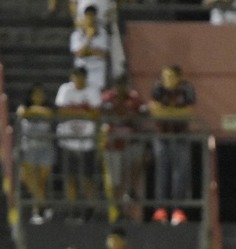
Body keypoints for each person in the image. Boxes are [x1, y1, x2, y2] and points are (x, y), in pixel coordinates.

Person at [148, 64, 196, 226]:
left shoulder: (187, 89)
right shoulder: (158, 88)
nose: (166, 80)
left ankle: (178, 210)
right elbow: (155, 111)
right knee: (162, 172)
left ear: (178, 77)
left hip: (180, 136)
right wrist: (175, 113)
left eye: (170, 76)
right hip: (162, 136)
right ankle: (161, 210)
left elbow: (188, 112)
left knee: (180, 173)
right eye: (164, 76)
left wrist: (167, 112)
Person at [55, 66, 102, 222]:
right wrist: (84, 112)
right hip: (68, 140)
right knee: (70, 177)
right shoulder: (65, 90)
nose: (78, 81)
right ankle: (72, 209)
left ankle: (90, 208)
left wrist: (74, 112)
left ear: (85, 78)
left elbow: (96, 114)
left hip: (86, 141)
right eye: (76, 78)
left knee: (87, 177)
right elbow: (61, 111)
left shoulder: (93, 91)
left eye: (81, 78)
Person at [101, 75, 146, 223]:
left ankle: (127, 210)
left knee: (130, 176)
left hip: (130, 143)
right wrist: (124, 116)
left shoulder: (134, 98)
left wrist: (128, 117)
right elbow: (106, 114)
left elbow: (141, 115)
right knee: (115, 181)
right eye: (118, 85)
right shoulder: (108, 98)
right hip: (113, 145)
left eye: (124, 85)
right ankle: (118, 210)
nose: (121, 88)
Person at [16, 84, 56, 226]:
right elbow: (22, 113)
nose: (39, 96)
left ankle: (38, 211)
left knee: (41, 181)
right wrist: (35, 111)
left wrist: (33, 111)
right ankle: (42, 207)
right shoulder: (23, 106)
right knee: (29, 179)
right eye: (36, 94)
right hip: (29, 148)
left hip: (45, 148)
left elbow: (49, 114)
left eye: (41, 94)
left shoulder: (49, 107)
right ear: (31, 96)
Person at [69, 5, 109, 91]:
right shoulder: (76, 35)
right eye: (88, 17)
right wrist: (88, 38)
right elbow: (79, 54)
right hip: (81, 71)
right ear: (84, 19)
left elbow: (103, 54)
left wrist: (86, 52)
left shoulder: (103, 34)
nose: (90, 21)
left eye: (92, 17)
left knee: (97, 94)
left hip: (97, 71)